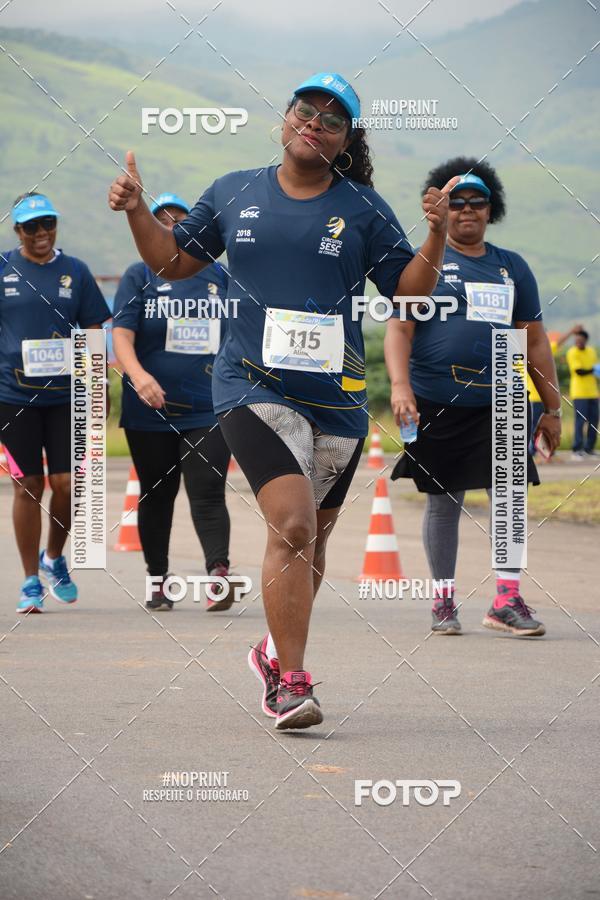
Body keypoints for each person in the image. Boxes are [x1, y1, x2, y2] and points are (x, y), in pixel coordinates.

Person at [109, 72, 458, 730]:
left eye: (332, 120)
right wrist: (136, 209)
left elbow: (408, 294)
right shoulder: (233, 190)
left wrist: (435, 235)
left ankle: (273, 651)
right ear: (285, 116)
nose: (314, 123)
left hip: (338, 400)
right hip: (249, 383)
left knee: (313, 543)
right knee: (292, 525)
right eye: (306, 110)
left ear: (346, 141)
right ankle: (291, 684)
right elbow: (174, 264)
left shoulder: (363, 208)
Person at [386, 158, 562, 638]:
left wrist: (551, 407)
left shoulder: (512, 268)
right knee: (444, 501)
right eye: (456, 202)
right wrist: (399, 387)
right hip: (435, 399)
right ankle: (443, 599)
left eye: (476, 202)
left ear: (491, 209)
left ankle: (506, 598)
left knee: (508, 498)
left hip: (503, 396)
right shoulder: (424, 263)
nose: (466, 210)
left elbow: (536, 341)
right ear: (439, 209)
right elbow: (400, 328)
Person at [112, 191, 239, 612]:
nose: (169, 225)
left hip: (209, 406)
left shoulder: (218, 276)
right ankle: (158, 579)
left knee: (207, 490)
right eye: (161, 218)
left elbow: (240, 334)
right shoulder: (139, 275)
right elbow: (121, 335)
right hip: (149, 409)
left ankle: (218, 574)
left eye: (179, 219)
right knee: (157, 491)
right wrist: (139, 376)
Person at [0, 193, 111, 612]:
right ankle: (30, 580)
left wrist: (94, 388)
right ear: (17, 231)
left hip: (68, 397)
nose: (42, 233)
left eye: (48, 224)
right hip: (13, 398)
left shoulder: (75, 271)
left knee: (66, 484)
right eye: (32, 227)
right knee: (28, 486)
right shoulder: (4, 268)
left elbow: (95, 330)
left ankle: (53, 556)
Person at [527, 324, 580, 458]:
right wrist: (571, 331)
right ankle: (533, 454)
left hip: (542, 398)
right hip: (533, 397)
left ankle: (545, 454)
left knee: (544, 427)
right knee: (533, 427)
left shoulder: (539, 351)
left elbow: (558, 343)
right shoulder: (530, 350)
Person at [566, 329, 599, 459]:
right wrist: (593, 369)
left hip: (592, 392)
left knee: (594, 421)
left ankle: (589, 449)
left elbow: (594, 370)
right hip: (579, 393)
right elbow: (579, 371)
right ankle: (577, 449)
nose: (577, 343)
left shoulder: (591, 351)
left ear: (585, 340)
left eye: (580, 340)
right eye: (576, 341)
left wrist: (595, 370)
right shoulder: (572, 352)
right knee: (580, 421)